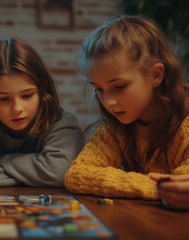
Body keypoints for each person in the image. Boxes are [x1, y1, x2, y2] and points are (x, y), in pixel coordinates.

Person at [64, 15, 189, 208]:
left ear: (155, 75)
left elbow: (182, 184)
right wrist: (155, 188)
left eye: (120, 86)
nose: (108, 102)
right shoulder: (114, 127)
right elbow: (77, 175)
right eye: (98, 89)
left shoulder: (185, 123)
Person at [0, 38, 83, 188]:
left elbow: (59, 173)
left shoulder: (64, 125)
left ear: (43, 92)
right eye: (4, 99)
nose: (17, 108)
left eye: (27, 96)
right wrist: (40, 174)